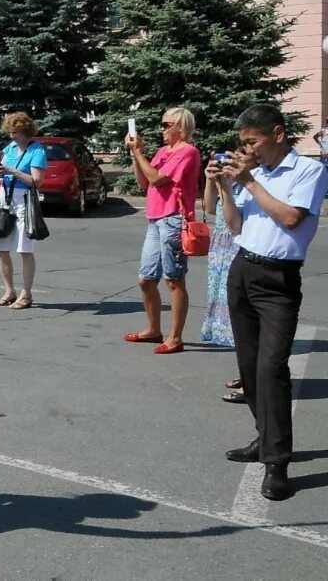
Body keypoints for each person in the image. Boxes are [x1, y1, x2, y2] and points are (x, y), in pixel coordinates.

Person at [212, 103, 328, 501]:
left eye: (252, 141)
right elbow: (235, 225)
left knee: (271, 366)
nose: (248, 150)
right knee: (248, 367)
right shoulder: (253, 174)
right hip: (243, 269)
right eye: (243, 143)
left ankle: (277, 462)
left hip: (278, 279)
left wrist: (247, 183)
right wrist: (226, 188)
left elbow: (291, 219)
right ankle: (264, 439)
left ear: (277, 133)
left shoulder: (309, 172)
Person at [124, 107, 201, 355]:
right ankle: (153, 329)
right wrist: (137, 155)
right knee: (145, 279)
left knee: (173, 280)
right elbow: (143, 182)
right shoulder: (162, 152)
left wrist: (138, 153)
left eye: (167, 125)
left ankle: (175, 337)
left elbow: (158, 179)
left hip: (174, 220)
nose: (163, 129)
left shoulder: (188, 152)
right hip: (156, 220)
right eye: (163, 124)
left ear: (181, 126)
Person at [0, 112, 48, 310]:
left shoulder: (36, 150)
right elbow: (2, 169)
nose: (11, 136)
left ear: (25, 131)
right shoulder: (10, 148)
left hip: (24, 202)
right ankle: (9, 291)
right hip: (5, 201)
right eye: (9, 132)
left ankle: (26, 294)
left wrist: (11, 171)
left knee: (25, 249)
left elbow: (36, 181)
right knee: (1, 249)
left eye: (15, 132)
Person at [202, 142, 243, 403]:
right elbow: (208, 208)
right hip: (220, 248)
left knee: (239, 313)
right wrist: (211, 181)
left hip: (237, 247)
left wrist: (230, 184)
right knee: (231, 313)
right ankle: (247, 372)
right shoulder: (225, 181)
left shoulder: (248, 183)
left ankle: (252, 380)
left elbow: (235, 220)